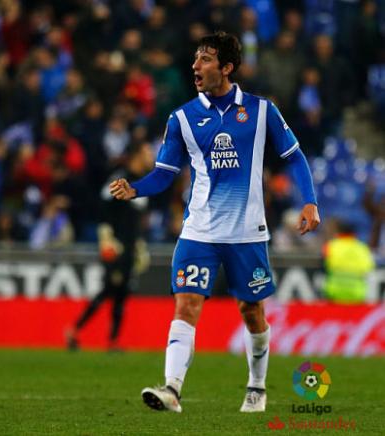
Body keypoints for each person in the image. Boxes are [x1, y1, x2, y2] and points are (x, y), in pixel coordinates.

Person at [108, 32, 320, 413]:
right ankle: (172, 388)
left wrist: (309, 202)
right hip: (200, 230)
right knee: (186, 303)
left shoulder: (261, 111)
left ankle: (256, 386)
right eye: (195, 59)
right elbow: (164, 172)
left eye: (205, 59)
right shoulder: (183, 118)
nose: (195, 66)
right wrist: (136, 189)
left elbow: (293, 156)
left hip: (246, 232)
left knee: (251, 311)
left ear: (226, 67)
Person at [66, 141, 153, 351]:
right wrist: (105, 236)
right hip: (116, 246)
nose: (151, 156)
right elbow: (104, 206)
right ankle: (75, 330)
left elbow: (135, 219)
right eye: (147, 153)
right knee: (110, 289)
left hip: (130, 247)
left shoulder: (143, 183)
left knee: (121, 293)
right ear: (135, 156)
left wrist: (139, 244)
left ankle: (112, 341)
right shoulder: (120, 178)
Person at [323, 221, 375, 303]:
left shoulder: (331, 246)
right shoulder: (362, 248)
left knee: (334, 316)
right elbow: (369, 267)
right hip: (356, 292)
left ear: (339, 231)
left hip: (335, 292)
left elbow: (325, 262)